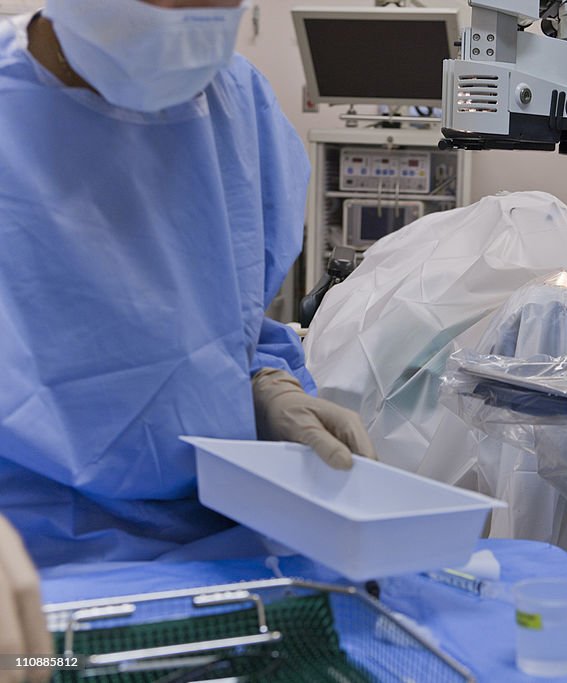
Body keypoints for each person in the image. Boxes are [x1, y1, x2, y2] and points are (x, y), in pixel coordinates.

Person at [0, 0, 376, 590]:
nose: (192, 14)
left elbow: (231, 320)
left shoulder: (237, 105)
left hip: (226, 544)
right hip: (31, 563)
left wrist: (265, 389)